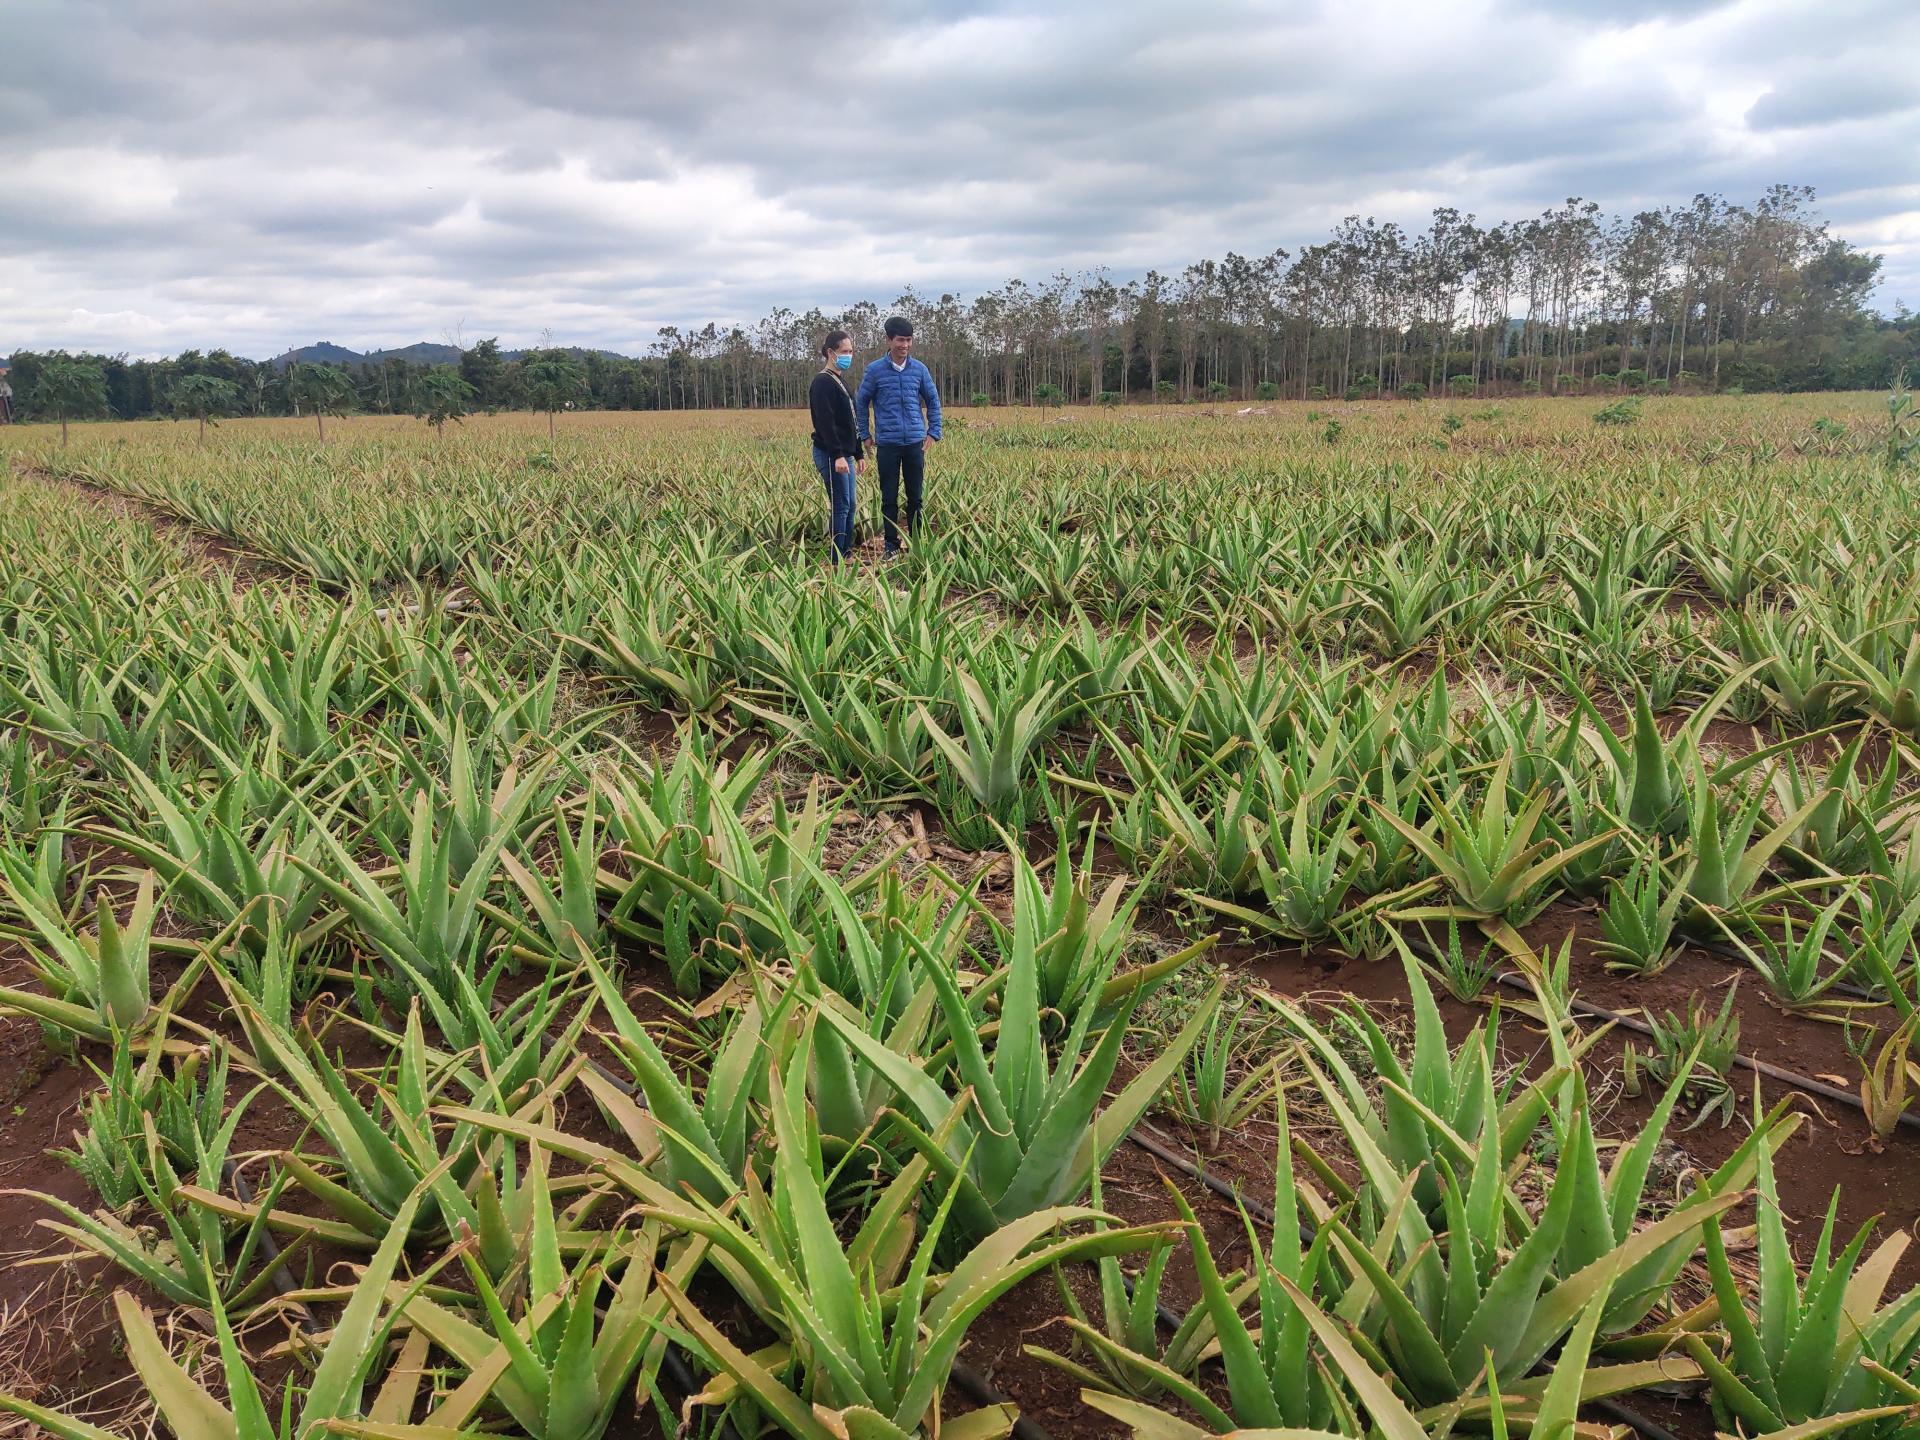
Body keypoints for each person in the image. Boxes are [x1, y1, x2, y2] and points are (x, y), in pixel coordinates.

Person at [855, 316, 942, 557]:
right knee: (889, 498)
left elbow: (933, 401)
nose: (904, 345)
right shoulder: (874, 371)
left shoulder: (919, 370)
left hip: (915, 443)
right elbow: (861, 403)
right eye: (900, 340)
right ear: (889, 340)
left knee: (916, 497)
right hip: (888, 445)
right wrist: (865, 434)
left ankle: (917, 543)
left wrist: (933, 432)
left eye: (908, 340)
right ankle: (891, 545)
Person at [808, 329, 862, 561]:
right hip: (831, 454)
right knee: (840, 505)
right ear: (831, 352)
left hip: (845, 454)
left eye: (850, 352)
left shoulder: (840, 381)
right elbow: (825, 423)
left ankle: (846, 551)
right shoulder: (822, 383)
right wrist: (838, 455)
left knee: (850, 505)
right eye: (844, 352)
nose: (848, 356)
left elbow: (851, 420)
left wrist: (858, 453)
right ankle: (836, 557)